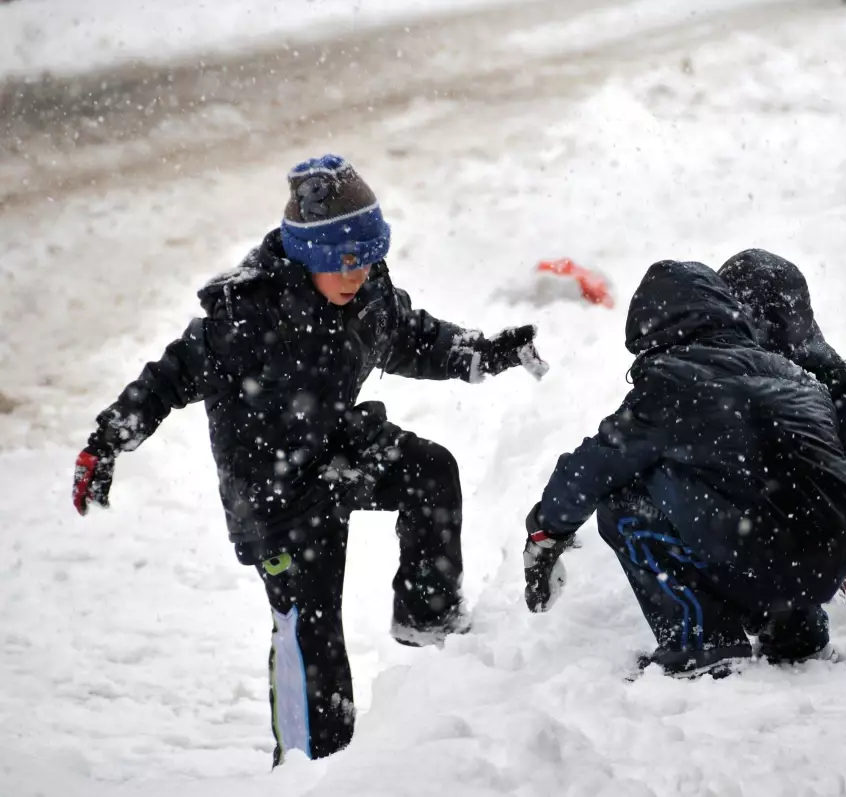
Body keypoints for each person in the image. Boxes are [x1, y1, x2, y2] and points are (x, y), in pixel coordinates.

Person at [70, 154, 546, 763]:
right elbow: (168, 377)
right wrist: (106, 441)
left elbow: (415, 337)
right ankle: (306, 765)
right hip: (274, 494)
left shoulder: (368, 294)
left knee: (430, 472)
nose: (357, 273)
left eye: (368, 256)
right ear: (307, 257)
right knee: (311, 630)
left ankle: (429, 625)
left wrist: (483, 351)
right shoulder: (248, 316)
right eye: (342, 262)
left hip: (337, 448)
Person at [522, 259, 846, 676]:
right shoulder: (798, 376)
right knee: (775, 489)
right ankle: (795, 627)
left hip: (761, 552)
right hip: (833, 556)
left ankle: (702, 639)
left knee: (625, 495)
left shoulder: (674, 380)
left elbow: (594, 467)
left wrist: (545, 529)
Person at [717, 249, 846, 596]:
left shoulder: (833, 384)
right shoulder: (706, 376)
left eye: (771, 322)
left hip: (805, 552)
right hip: (718, 545)